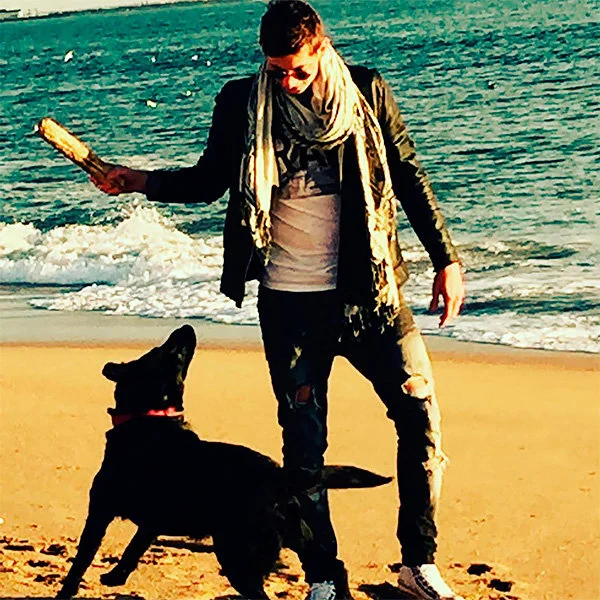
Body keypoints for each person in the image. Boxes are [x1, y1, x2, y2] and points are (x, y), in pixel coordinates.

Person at [91, 2, 466, 598]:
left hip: (372, 297)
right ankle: (323, 576)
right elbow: (208, 181)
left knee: (421, 421)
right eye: (275, 69)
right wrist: (139, 180)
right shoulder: (241, 103)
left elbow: (407, 174)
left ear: (321, 47)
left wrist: (446, 260)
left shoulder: (366, 92)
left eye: (297, 69)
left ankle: (418, 563)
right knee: (304, 449)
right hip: (291, 306)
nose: (286, 81)